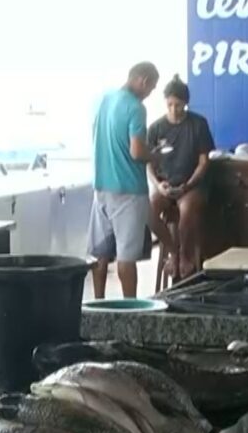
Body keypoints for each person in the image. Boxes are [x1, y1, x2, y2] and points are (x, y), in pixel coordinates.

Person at [89, 62, 159, 299]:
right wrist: (156, 155)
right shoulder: (136, 108)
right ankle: (130, 310)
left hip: (101, 187)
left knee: (101, 255)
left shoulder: (103, 100)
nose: (149, 94)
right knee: (126, 258)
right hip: (128, 190)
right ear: (144, 81)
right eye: (151, 88)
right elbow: (137, 151)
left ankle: (97, 305)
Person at [146, 76, 215, 280]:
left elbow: (204, 162)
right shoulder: (156, 128)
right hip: (165, 185)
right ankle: (172, 251)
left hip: (191, 185)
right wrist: (158, 185)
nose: (174, 109)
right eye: (170, 105)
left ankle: (185, 256)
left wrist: (189, 184)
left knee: (187, 210)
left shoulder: (198, 124)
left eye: (178, 105)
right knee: (147, 210)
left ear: (185, 103)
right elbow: (148, 164)